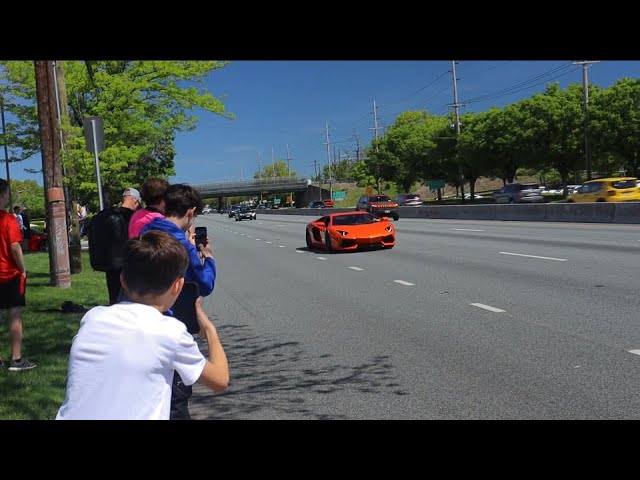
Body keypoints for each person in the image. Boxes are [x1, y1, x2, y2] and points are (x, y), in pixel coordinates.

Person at [56, 230, 229, 420]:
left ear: (123, 280)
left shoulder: (92, 318)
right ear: (178, 286)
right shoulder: (171, 332)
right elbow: (220, 380)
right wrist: (211, 331)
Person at [140, 183, 216, 420]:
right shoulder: (181, 246)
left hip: (142, 320)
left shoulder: (148, 232)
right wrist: (209, 258)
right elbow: (204, 284)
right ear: (191, 212)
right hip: (172, 323)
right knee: (176, 397)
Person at [0, 179, 36, 371]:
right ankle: (16, 359)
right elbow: (15, 247)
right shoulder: (8, 219)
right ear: (3, 195)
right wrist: (22, 269)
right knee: (14, 314)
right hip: (9, 274)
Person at [104, 188, 140, 304]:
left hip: (111, 263)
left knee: (114, 298)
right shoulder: (135, 217)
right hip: (129, 263)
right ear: (136, 202)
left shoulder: (110, 216)